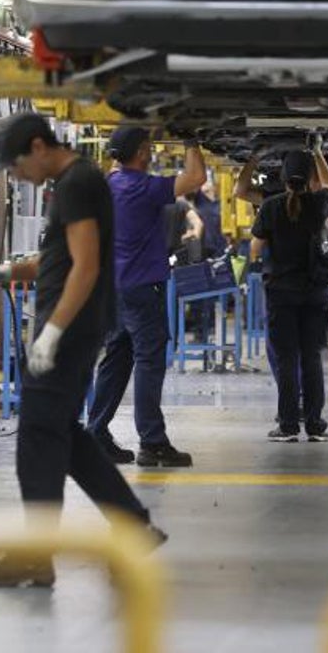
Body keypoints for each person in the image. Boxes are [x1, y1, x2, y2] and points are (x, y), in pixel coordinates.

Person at [0, 113, 165, 587]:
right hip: (76, 327)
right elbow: (60, 261)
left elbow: (87, 266)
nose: (17, 176)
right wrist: (6, 272)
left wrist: (53, 332)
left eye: (17, 166)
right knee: (67, 438)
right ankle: (133, 527)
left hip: (70, 332)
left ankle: (35, 556)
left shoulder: (78, 183)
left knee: (37, 443)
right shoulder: (76, 182)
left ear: (39, 146)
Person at [88, 126, 207, 467]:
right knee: (149, 360)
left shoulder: (110, 185)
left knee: (117, 358)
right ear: (141, 153)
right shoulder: (145, 187)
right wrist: (191, 138)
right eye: (149, 148)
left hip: (113, 289)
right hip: (142, 290)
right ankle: (152, 441)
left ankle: (95, 433)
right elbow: (196, 176)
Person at [250, 143, 328, 443]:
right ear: (309, 176)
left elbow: (254, 249)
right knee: (311, 358)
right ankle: (315, 425)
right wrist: (319, 152)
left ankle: (287, 426)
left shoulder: (271, 206)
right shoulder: (319, 202)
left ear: (284, 177)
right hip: (314, 294)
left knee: (287, 361)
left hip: (281, 293)